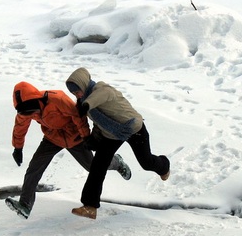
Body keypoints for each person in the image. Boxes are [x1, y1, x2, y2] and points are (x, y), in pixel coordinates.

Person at [5, 81, 131, 219]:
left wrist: (85, 137)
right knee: (34, 168)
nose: (31, 114)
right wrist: (18, 148)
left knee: (93, 166)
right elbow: (20, 126)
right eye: (26, 112)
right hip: (52, 138)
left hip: (74, 138)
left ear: (36, 99)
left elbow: (78, 116)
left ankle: (117, 162)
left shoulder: (57, 99)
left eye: (31, 110)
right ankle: (25, 205)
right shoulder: (25, 110)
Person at [65, 67, 170, 220]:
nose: (77, 95)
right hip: (112, 134)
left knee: (146, 162)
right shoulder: (83, 102)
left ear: (84, 85)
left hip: (133, 128)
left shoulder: (102, 89)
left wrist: (86, 105)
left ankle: (164, 166)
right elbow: (98, 122)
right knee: (98, 166)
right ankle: (90, 206)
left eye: (77, 91)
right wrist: (93, 139)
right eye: (73, 94)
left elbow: (99, 97)